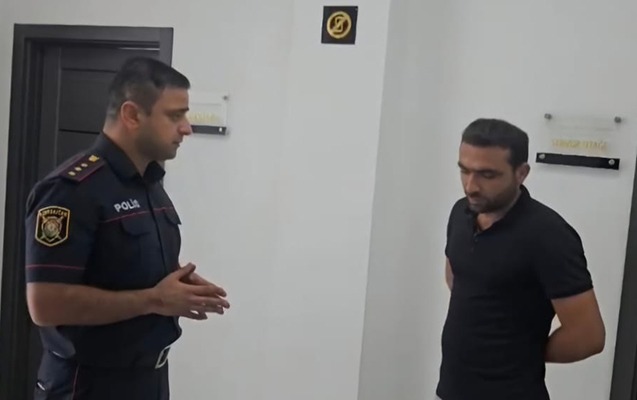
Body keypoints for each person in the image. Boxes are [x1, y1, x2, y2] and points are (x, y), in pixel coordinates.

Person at [24, 57, 230, 400]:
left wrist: (175, 283)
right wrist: (155, 299)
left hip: (148, 379)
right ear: (132, 115)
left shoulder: (148, 183)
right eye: (175, 116)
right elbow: (45, 304)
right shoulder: (71, 190)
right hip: (89, 385)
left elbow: (118, 267)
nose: (187, 128)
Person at [435, 118, 605, 400]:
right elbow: (457, 280)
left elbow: (588, 336)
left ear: (521, 173)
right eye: (464, 171)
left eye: (487, 175)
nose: (471, 186)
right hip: (451, 390)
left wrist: (519, 354)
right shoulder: (460, 213)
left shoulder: (548, 235)